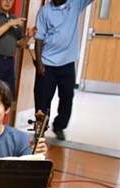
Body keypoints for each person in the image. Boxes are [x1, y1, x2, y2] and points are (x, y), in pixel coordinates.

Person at [35, 0, 94, 141]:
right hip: (47, 63)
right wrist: (39, 62)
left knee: (67, 97)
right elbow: (39, 38)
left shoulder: (75, 4)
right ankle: (40, 129)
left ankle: (59, 126)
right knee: (42, 99)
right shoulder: (45, 11)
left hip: (67, 64)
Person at [0, 0, 37, 96]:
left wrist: (28, 37)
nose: (8, 2)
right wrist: (9, 24)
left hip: (9, 63)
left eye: (11, 0)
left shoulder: (15, 19)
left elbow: (19, 44)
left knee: (8, 96)